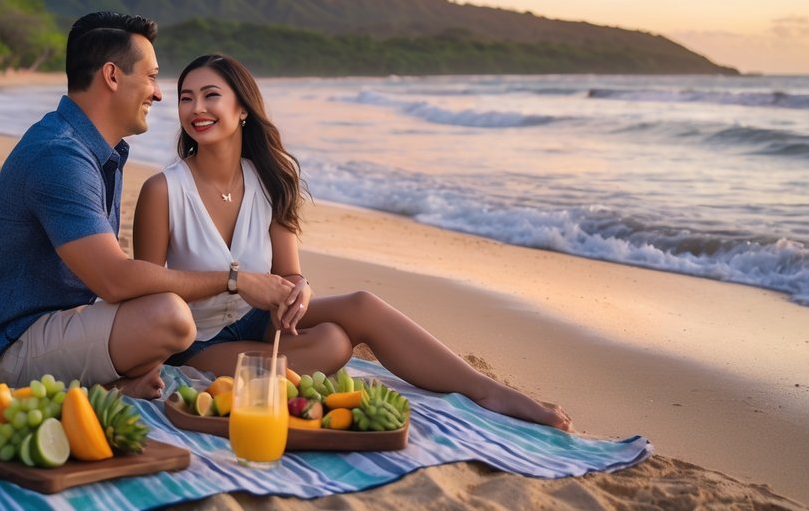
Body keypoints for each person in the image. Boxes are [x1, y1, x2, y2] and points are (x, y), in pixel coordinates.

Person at [132, 54, 572, 430]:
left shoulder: (271, 179)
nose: (196, 108)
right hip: (197, 340)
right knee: (333, 346)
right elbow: (147, 293)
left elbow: (288, 274)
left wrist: (298, 289)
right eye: (186, 98)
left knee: (357, 308)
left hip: (258, 323)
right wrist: (235, 281)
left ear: (242, 108)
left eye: (211, 95)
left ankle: (489, 392)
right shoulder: (163, 190)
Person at [0, 13, 294, 398]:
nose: (159, 93)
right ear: (112, 76)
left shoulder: (99, 151)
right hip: (6, 350)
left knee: (164, 311)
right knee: (171, 317)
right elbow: (115, 280)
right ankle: (108, 383)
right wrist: (235, 280)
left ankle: (112, 384)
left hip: (58, 325)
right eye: (151, 77)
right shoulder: (60, 155)